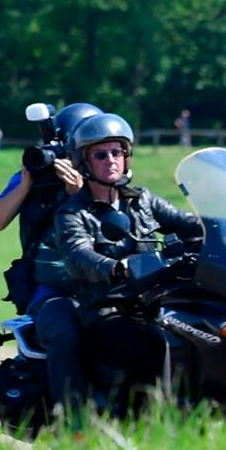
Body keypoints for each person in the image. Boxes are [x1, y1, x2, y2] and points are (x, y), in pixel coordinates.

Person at [44, 112, 201, 419]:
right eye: (100, 154)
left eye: (117, 152)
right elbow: (78, 256)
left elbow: (187, 223)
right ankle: (150, 418)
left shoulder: (142, 200)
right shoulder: (72, 212)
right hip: (108, 309)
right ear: (84, 162)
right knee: (148, 342)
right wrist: (117, 268)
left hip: (156, 302)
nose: (111, 160)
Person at [0, 101, 98, 422]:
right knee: (65, 328)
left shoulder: (105, 174)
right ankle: (72, 422)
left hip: (108, 285)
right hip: (51, 292)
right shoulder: (37, 177)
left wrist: (80, 193)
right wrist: (26, 185)